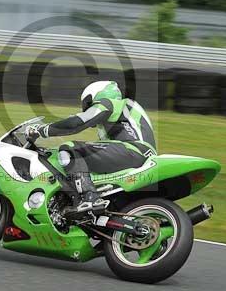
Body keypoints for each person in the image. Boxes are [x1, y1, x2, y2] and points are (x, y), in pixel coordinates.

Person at [26, 80, 156, 212]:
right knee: (80, 162)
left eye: (88, 103)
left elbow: (77, 123)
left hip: (134, 150)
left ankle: (89, 197)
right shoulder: (121, 115)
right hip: (137, 154)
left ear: (99, 95)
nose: (86, 108)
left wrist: (42, 130)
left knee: (71, 148)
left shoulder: (111, 103)